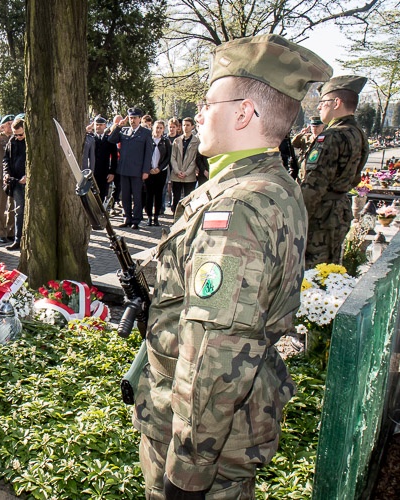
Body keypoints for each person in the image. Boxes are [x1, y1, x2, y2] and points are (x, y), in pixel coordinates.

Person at [134, 33, 332, 498]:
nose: (199, 114)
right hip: (230, 430)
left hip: (202, 448)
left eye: (208, 103)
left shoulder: (235, 210)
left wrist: (188, 471)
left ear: (244, 113)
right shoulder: (271, 185)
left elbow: (215, 353)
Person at [299, 76, 369, 268]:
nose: (319, 107)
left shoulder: (331, 136)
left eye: (323, 102)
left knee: (311, 273)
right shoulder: (357, 133)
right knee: (330, 271)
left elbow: (314, 186)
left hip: (320, 216)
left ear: (336, 103)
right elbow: (354, 177)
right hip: (339, 211)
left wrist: (296, 221)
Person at [108, 107, 153, 229]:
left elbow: (148, 153)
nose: (132, 120)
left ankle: (136, 220)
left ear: (139, 119)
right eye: (130, 118)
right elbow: (111, 140)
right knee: (125, 196)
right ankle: (127, 218)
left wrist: (146, 170)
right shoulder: (124, 131)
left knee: (137, 196)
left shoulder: (145, 133)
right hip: (124, 169)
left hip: (137, 170)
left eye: (135, 118)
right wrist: (118, 126)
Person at [2, 117, 27, 251]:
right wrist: (6, 173)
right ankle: (18, 240)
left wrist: (28, 175)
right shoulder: (12, 141)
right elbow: (6, 159)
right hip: (16, 181)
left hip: (28, 181)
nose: (18, 137)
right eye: (15, 134)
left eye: (20, 134)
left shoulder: (31, 142)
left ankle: (27, 239)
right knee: (19, 211)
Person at [0, 115, 15, 244]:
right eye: (8, 123)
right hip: (0, 174)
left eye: (12, 123)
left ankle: (11, 231)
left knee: (12, 204)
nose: (10, 126)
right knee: (0, 204)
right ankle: (0, 232)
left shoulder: (16, 136)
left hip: (13, 174)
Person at [170, 117, 201, 213]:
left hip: (189, 176)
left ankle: (187, 216)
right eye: (184, 125)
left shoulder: (196, 141)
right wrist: (177, 171)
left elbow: (195, 159)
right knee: (176, 197)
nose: (185, 127)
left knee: (188, 198)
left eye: (188, 125)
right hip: (176, 174)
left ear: (192, 127)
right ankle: (175, 216)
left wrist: (186, 172)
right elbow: (173, 157)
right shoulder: (177, 140)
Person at [143, 120, 171, 226]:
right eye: (156, 127)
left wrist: (159, 168)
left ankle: (156, 217)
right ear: (153, 128)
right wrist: (149, 168)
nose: (158, 130)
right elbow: (144, 155)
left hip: (161, 172)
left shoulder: (166, 141)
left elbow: (168, 157)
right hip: (149, 172)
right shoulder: (148, 140)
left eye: (160, 128)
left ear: (163, 129)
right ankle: (149, 216)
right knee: (149, 194)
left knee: (159, 194)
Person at [92, 115, 119, 202]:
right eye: (97, 125)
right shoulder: (91, 138)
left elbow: (114, 157)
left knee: (102, 195)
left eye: (100, 125)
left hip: (104, 173)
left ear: (105, 126)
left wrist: (112, 172)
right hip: (92, 172)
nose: (98, 127)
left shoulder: (109, 140)